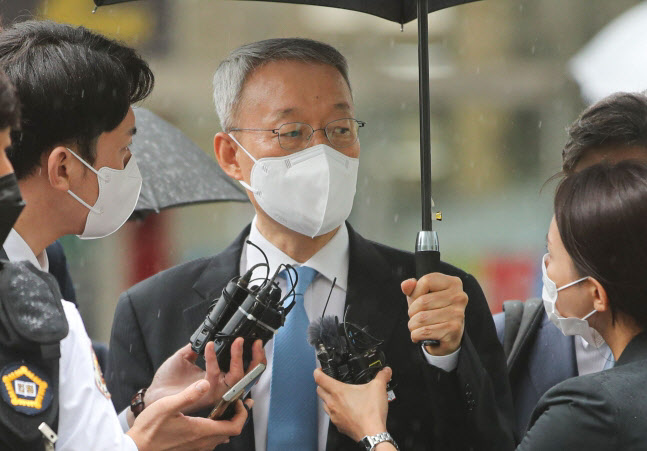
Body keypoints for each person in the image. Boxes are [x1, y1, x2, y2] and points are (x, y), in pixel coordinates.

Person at [106, 37, 514, 451]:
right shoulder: (153, 310)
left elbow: (492, 441)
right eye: (292, 132)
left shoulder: (433, 295)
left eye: (340, 129)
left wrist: (446, 357)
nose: (322, 152)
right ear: (230, 154)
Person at [0, 20, 263, 450]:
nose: (130, 170)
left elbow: (61, 435)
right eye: (123, 152)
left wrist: (143, 409)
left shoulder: (49, 274)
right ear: (63, 168)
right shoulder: (23, 297)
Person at [320, 159, 647, 450]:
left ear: (596, 294)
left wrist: (372, 431)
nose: (545, 268)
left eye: (552, 255)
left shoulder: (586, 412)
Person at [492, 91, 647, 439]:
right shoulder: (503, 341)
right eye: (587, 191)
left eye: (629, 189)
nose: (606, 207)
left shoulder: (580, 409)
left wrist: (374, 433)